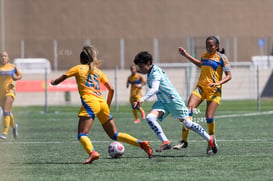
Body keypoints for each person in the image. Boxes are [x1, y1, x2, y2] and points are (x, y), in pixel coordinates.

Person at [50, 46, 153, 164]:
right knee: (115, 134)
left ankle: (92, 153)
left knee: (82, 134)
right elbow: (111, 89)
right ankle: (142, 143)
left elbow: (60, 79)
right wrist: (107, 105)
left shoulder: (78, 68)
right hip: (102, 103)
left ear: (81, 59)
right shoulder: (98, 71)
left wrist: (53, 82)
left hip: (90, 102)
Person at [133, 51, 218, 153]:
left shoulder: (155, 72)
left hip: (173, 100)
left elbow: (155, 89)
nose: (140, 69)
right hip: (162, 102)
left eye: (141, 66)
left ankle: (210, 139)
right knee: (150, 118)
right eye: (139, 66)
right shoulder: (149, 73)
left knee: (187, 124)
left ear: (148, 63)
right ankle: (166, 142)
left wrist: (141, 99)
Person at [173, 36, 232, 154]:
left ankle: (211, 141)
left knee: (208, 117)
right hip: (200, 88)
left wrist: (218, 83)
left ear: (216, 46)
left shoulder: (222, 58)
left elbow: (229, 76)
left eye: (211, 46)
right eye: (207, 46)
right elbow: (200, 64)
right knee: (187, 112)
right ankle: (184, 141)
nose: (209, 48)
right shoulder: (204, 55)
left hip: (214, 91)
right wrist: (186, 55)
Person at [0, 51, 22, 140]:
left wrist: (16, 78)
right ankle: (14, 126)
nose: (3, 57)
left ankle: (4, 133)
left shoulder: (12, 67)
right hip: (0, 93)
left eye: (5, 56)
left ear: (8, 58)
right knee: (7, 112)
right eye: (1, 56)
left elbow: (20, 75)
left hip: (9, 91)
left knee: (5, 110)